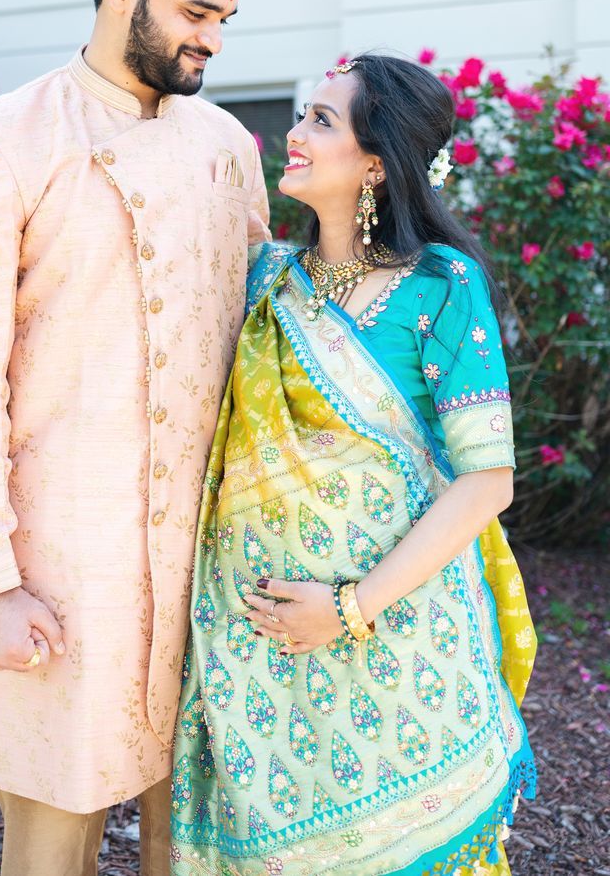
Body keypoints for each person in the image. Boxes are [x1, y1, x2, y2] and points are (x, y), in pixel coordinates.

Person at [0, 0, 272, 876]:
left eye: (227, 16)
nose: (213, 37)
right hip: (64, 565)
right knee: (51, 848)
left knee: (195, 844)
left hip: (211, 564)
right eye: (197, 10)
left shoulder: (224, 145)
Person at [170, 54, 537, 876]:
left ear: (376, 162)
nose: (295, 134)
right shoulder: (268, 282)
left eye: (323, 121)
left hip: (398, 642)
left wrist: (350, 607)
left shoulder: (440, 286)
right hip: (257, 650)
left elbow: (487, 480)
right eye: (303, 116)